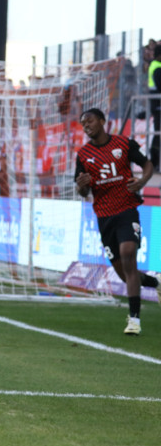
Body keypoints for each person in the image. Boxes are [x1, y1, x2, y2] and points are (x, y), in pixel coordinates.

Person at [76, 108, 157, 335]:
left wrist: (141, 182)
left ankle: (134, 321)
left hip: (126, 210)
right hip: (104, 217)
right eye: (83, 124)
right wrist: (82, 186)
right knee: (125, 273)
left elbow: (147, 164)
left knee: (128, 254)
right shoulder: (83, 155)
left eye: (90, 121)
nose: (86, 126)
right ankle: (157, 284)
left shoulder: (123, 143)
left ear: (102, 121)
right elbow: (83, 191)